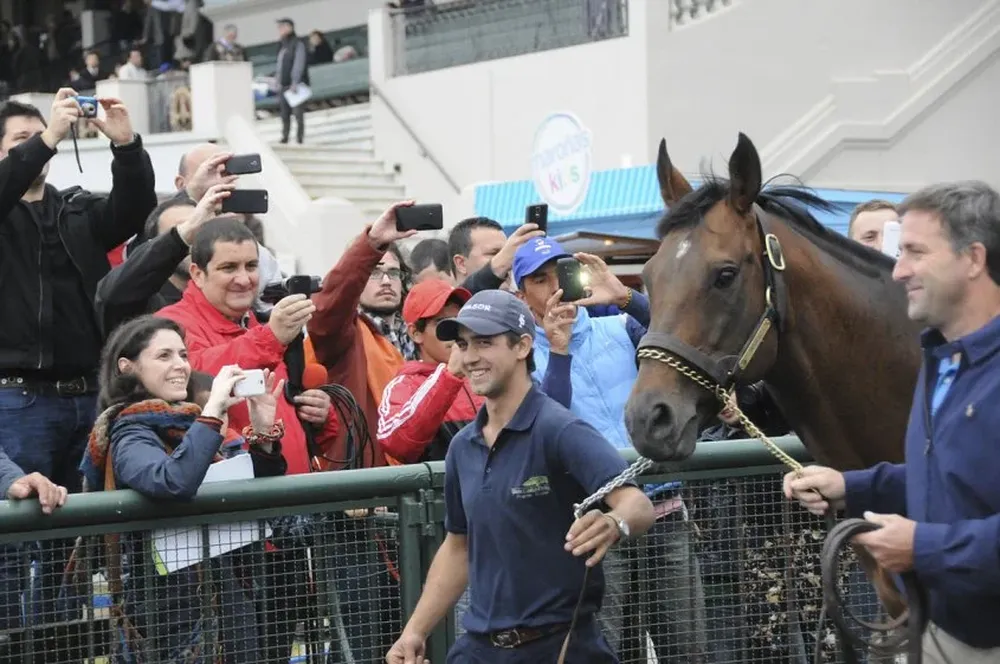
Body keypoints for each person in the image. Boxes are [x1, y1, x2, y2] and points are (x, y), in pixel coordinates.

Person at [784, 181, 1000, 661]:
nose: (898, 270)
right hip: (939, 631)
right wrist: (851, 485)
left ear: (974, 259)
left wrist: (923, 547)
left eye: (915, 252)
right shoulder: (940, 358)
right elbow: (946, 477)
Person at [385, 289, 655, 664]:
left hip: (561, 646)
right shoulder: (464, 446)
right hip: (478, 647)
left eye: (484, 342)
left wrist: (614, 521)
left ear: (522, 346)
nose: (470, 356)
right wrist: (414, 632)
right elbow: (458, 545)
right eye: (463, 344)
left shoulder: (560, 428)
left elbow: (637, 504)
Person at [0, 90, 156, 636]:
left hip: (86, 395)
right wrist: (42, 141)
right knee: (16, 540)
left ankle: (62, 644)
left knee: (75, 543)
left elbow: (135, 211)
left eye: (42, 134)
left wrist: (126, 145)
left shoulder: (76, 207)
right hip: (17, 398)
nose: (38, 147)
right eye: (20, 139)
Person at [79, 315, 287, 662]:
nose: (180, 366)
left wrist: (263, 433)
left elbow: (248, 488)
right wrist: (214, 409)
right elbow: (172, 481)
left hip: (224, 603)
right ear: (127, 367)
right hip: (171, 616)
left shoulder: (189, 423)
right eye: (164, 356)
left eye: (183, 355)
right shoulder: (129, 432)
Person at [275, 18, 309, 145]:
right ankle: (285, 136)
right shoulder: (282, 45)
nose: (280, 30)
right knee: (284, 113)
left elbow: (298, 64)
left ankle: (299, 137)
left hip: (295, 85)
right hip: (283, 85)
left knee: (298, 113)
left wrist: (295, 81)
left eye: (282, 27)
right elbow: (279, 65)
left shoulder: (297, 43)